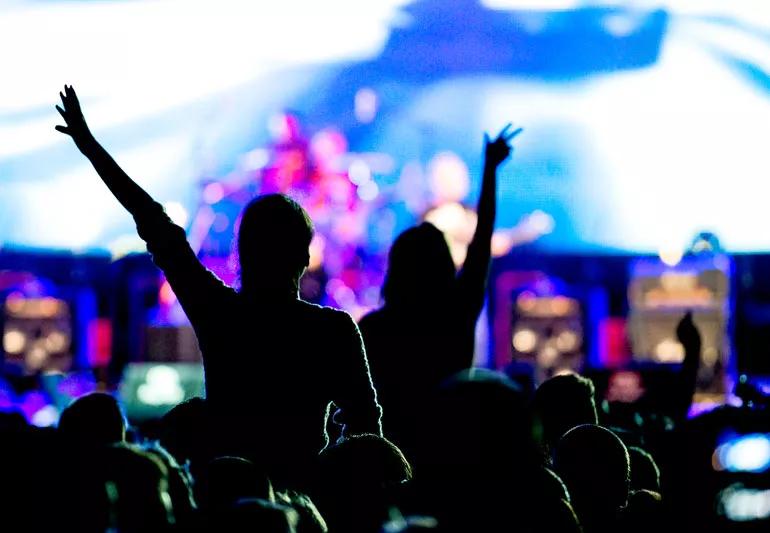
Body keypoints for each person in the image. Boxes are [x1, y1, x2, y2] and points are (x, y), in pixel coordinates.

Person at [55, 85, 382, 489]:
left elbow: (155, 225)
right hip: (308, 494)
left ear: (242, 255)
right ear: (303, 257)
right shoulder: (335, 329)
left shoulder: (221, 313)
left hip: (226, 492)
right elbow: (369, 431)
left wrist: (90, 148)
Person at [358, 125, 521, 455]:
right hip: (451, 447)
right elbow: (482, 243)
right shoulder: (457, 313)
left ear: (396, 268)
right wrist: (490, 170)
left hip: (389, 455)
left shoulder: (371, 329)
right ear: (446, 265)